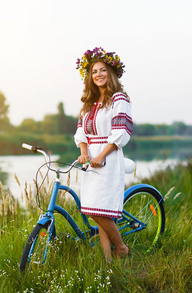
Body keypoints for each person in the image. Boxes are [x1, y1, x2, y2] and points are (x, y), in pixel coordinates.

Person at [74, 47, 133, 262]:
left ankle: (121, 247)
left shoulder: (119, 99)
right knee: (95, 208)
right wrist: (84, 153)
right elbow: (81, 132)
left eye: (103, 70)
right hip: (91, 160)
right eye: (94, 71)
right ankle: (108, 260)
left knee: (99, 209)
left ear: (111, 73)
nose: (98, 74)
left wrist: (102, 155)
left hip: (109, 156)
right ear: (89, 76)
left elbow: (120, 131)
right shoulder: (89, 103)